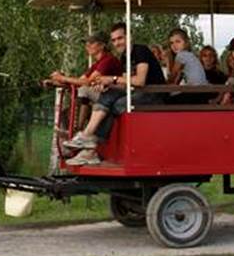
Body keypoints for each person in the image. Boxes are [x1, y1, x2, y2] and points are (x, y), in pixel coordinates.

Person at [62, 22, 166, 165]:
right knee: (109, 95)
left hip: (154, 95)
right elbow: (124, 84)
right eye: (114, 40)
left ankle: (88, 140)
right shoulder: (124, 57)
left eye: (120, 38)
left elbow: (140, 81)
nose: (117, 43)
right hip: (139, 93)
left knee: (116, 104)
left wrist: (113, 79)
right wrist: (107, 84)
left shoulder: (140, 51)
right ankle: (89, 147)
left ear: (129, 37)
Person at [166, 27, 211, 104]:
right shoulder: (190, 55)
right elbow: (178, 77)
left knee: (166, 99)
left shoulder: (181, 55)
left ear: (186, 43)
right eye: (171, 43)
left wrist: (167, 62)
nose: (174, 45)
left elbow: (172, 76)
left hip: (195, 93)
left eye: (178, 41)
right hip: (203, 93)